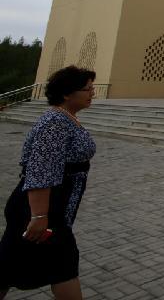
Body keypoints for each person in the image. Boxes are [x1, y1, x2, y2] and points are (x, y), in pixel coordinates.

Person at [0, 66, 97, 300]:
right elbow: (40, 171)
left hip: (52, 206)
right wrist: (39, 216)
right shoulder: (54, 122)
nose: (92, 92)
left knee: (10, 266)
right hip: (41, 208)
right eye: (87, 88)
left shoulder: (65, 118)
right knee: (63, 265)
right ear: (66, 94)